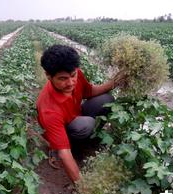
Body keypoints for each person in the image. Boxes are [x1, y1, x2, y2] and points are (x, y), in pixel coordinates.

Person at [36, 44, 124, 182]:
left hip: (76, 114)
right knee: (87, 124)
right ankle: (59, 147)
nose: (71, 83)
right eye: (62, 79)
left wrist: (115, 82)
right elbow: (64, 153)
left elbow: (89, 92)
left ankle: (88, 139)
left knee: (107, 99)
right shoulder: (49, 109)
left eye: (73, 76)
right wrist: (82, 186)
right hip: (63, 130)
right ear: (48, 76)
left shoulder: (76, 73)